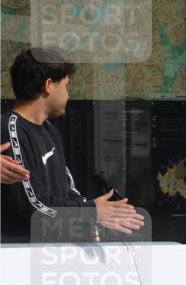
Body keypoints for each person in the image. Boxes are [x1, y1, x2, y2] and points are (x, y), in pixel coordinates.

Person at [1, 48, 144, 242]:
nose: (68, 96)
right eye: (67, 86)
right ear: (49, 85)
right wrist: (90, 212)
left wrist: (101, 210)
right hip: (22, 259)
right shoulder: (10, 131)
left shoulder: (50, 130)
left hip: (54, 256)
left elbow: (67, 189)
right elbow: (33, 206)